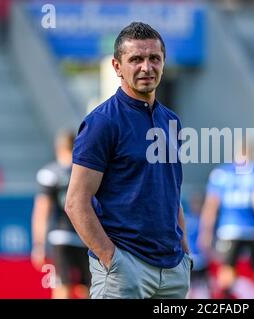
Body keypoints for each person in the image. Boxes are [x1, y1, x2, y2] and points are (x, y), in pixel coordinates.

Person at [65, 22, 191, 299]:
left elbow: (172, 191)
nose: (146, 67)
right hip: (125, 268)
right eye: (136, 59)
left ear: (163, 62)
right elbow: (75, 201)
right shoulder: (102, 123)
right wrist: (111, 259)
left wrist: (184, 250)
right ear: (117, 66)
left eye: (154, 58)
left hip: (172, 271)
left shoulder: (171, 121)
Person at [199, 141, 254, 299]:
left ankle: (224, 300)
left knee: (227, 269)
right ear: (253, 152)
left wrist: (205, 232)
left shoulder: (220, 173)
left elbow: (211, 206)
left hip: (229, 229)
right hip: (253, 229)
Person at [31, 130, 90, 299]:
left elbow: (42, 211)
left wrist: (38, 244)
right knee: (88, 288)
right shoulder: (86, 173)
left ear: (59, 148)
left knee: (62, 286)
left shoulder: (51, 173)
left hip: (60, 237)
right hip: (86, 237)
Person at [185, 192, 211, 299]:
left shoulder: (205, 221)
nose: (196, 206)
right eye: (194, 203)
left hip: (201, 261)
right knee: (189, 289)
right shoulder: (186, 219)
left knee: (202, 289)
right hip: (190, 260)